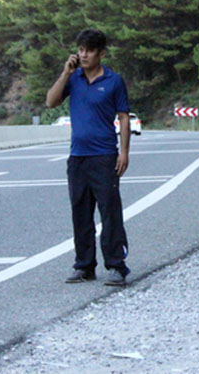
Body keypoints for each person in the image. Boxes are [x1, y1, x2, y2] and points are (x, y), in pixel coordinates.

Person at [46, 28, 131, 286]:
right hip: (78, 157)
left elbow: (124, 117)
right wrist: (65, 73)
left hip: (104, 155)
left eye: (89, 50)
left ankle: (116, 266)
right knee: (80, 213)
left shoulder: (114, 81)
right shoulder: (74, 79)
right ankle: (84, 266)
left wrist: (124, 152)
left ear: (101, 53)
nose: (83, 55)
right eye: (80, 50)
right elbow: (50, 102)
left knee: (109, 212)